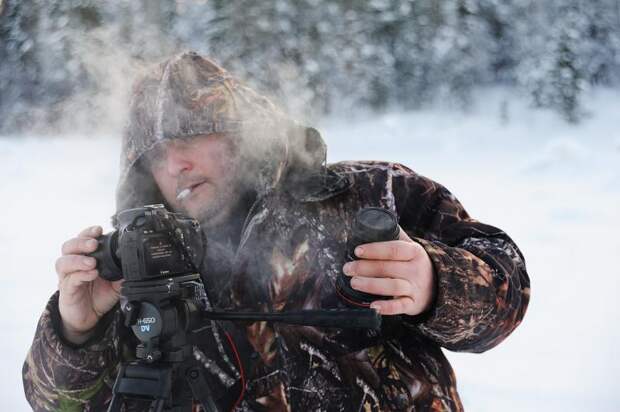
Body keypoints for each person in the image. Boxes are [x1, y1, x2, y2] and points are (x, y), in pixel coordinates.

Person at [23, 52, 530, 411]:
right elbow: (57, 404)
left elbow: (505, 294)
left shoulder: (370, 193)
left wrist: (436, 283)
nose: (176, 163)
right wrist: (76, 331)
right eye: (155, 153)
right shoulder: (137, 268)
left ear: (242, 135)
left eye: (192, 136)